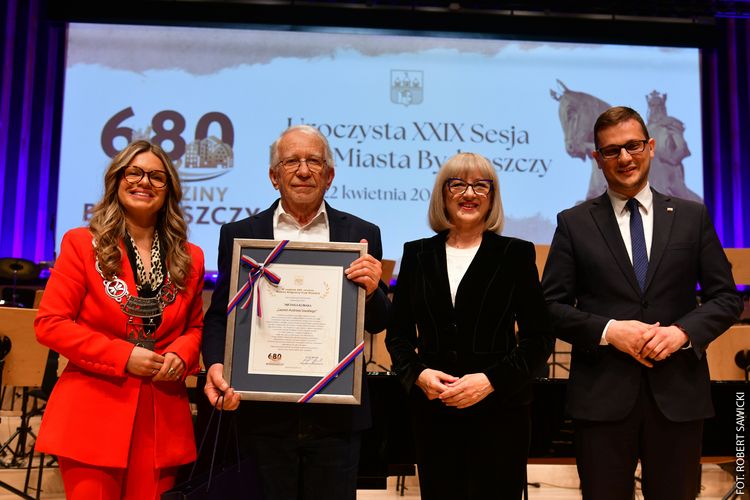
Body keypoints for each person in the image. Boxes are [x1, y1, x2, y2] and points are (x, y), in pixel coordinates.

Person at [541, 106, 743, 500]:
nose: (625, 158)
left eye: (633, 146)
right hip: (601, 400)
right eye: (612, 151)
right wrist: (609, 331)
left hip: (678, 397)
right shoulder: (574, 223)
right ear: (597, 158)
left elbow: (725, 298)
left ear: (650, 147)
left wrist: (682, 333)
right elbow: (549, 306)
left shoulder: (692, 216)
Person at [202, 124, 390, 500]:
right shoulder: (240, 234)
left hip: (336, 420)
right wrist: (216, 364)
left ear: (329, 175)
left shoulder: (361, 233)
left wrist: (372, 292)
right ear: (274, 176)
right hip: (263, 418)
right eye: (291, 162)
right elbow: (220, 315)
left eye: (314, 162)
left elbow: (379, 322)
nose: (303, 171)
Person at [34, 140, 205, 499]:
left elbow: (194, 327)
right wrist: (123, 356)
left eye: (157, 177)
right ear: (117, 181)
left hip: (161, 419)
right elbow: (51, 323)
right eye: (134, 173)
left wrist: (181, 354)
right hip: (92, 413)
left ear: (169, 190)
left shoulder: (190, 257)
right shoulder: (81, 244)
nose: (144, 182)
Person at [385, 152, 555, 499]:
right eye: (457, 184)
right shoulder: (416, 254)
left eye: (481, 185)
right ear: (442, 194)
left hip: (500, 414)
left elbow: (539, 339)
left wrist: (490, 381)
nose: (469, 193)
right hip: (434, 413)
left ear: (492, 197)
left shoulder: (516, 254)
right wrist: (419, 374)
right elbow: (398, 337)